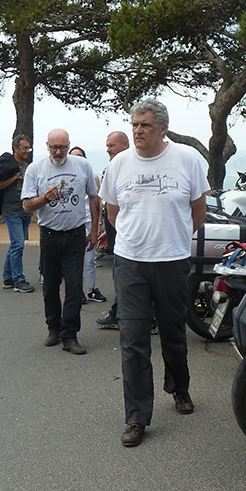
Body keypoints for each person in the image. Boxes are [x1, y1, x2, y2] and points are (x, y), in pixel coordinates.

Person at [99, 98, 210, 447]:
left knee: (173, 332)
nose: (138, 130)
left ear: (162, 128)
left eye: (145, 125)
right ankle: (136, 416)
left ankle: (179, 387)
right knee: (133, 340)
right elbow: (113, 213)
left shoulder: (187, 159)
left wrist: (172, 237)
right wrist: (137, 239)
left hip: (172, 260)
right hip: (130, 262)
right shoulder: (119, 164)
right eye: (134, 124)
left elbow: (198, 211)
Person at [22, 128, 100, 355]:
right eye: (54, 147)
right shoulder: (35, 169)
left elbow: (94, 198)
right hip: (50, 234)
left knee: (74, 287)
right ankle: (53, 328)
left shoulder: (82, 165)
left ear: (69, 145)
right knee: (50, 286)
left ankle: (70, 335)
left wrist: (94, 231)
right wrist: (45, 198)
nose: (58, 152)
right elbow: (26, 205)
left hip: (76, 233)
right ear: (47, 146)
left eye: (63, 147)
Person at [96, 131, 129, 330]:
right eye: (107, 146)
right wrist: (107, 232)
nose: (108, 149)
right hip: (115, 234)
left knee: (124, 277)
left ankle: (121, 315)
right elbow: (108, 206)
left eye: (112, 145)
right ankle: (117, 313)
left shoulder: (130, 168)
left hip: (126, 236)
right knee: (119, 276)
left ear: (125, 145)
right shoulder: (110, 168)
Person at [69, 146, 106, 304]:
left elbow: (97, 201)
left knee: (90, 259)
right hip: (74, 222)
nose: (77, 159)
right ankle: (77, 291)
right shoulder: (67, 177)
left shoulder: (93, 177)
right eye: (74, 156)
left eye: (80, 155)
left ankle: (91, 289)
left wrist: (98, 224)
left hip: (89, 221)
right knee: (74, 260)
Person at [0, 134, 35, 292]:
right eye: (24, 148)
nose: (27, 151)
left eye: (29, 148)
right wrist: (14, 177)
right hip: (11, 210)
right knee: (18, 244)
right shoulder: (8, 166)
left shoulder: (28, 166)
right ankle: (18, 280)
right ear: (15, 148)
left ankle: (8, 278)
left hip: (25, 210)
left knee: (16, 244)